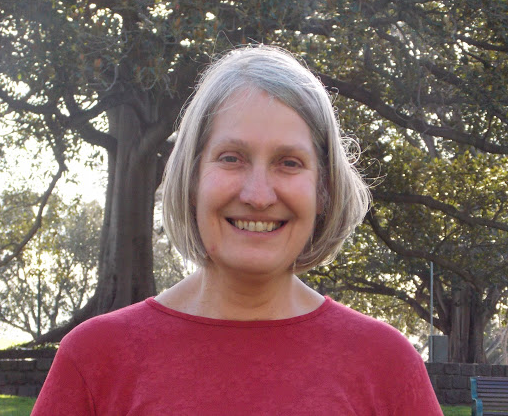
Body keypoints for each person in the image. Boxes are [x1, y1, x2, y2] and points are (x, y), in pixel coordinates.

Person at [32, 46, 442, 415]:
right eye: (231, 158)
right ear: (192, 178)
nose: (258, 195)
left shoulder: (387, 365)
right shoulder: (95, 359)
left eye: (289, 163)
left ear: (324, 189)